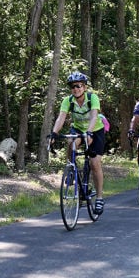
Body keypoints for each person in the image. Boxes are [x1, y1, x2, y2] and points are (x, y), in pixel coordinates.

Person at [50, 71, 106, 214]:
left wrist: (89, 132)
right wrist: (54, 134)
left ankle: (99, 198)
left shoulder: (92, 97)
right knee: (71, 142)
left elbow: (94, 116)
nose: (76, 89)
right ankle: (71, 169)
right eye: (73, 86)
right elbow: (61, 118)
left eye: (79, 86)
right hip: (78, 129)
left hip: (95, 129)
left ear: (84, 87)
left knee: (94, 164)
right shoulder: (68, 101)